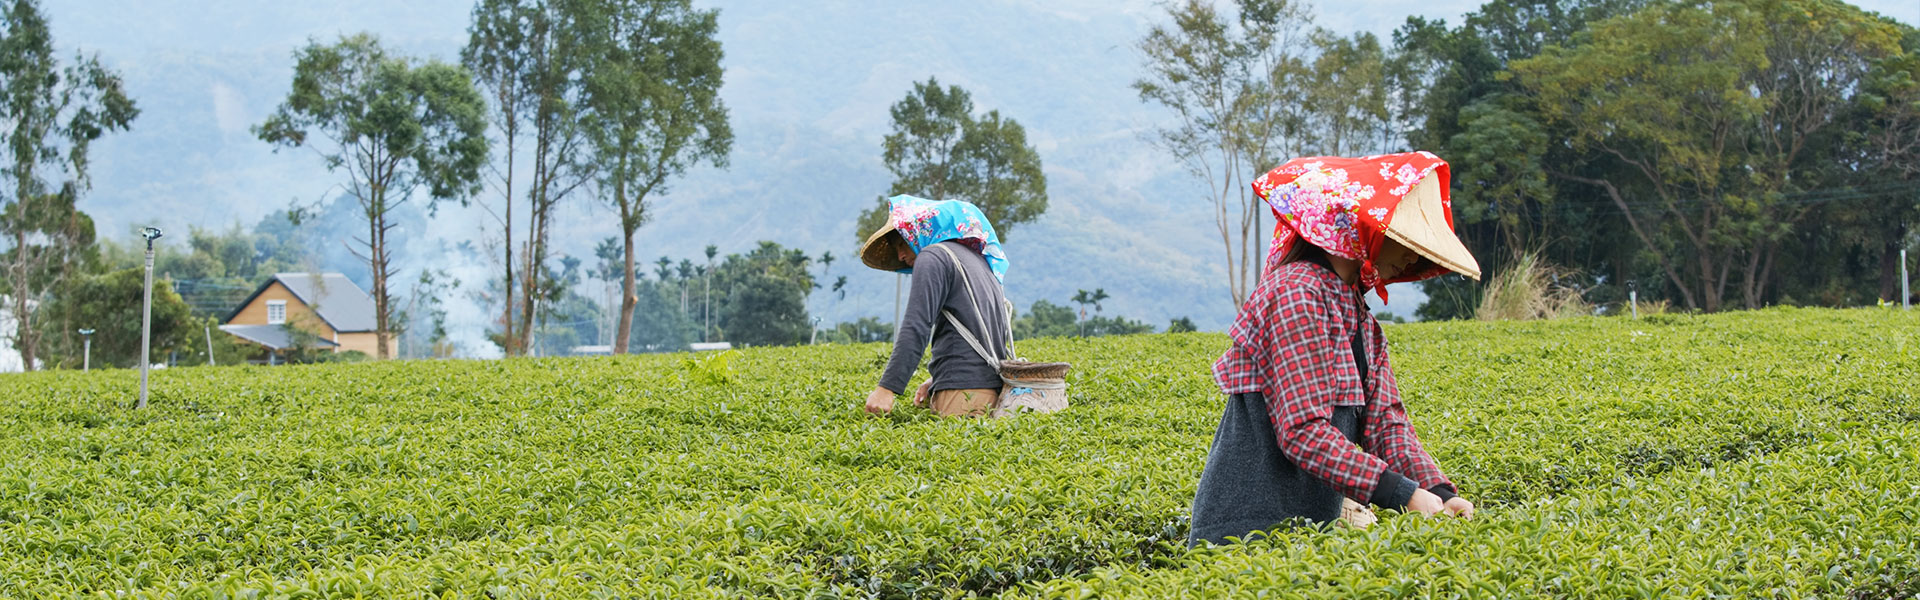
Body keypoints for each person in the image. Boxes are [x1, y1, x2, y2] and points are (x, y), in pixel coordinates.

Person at [1188, 151, 1481, 546]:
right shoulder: (1296, 293)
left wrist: (1441, 494)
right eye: (1403, 239)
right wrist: (1404, 495)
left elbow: (1386, 424)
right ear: (1367, 228)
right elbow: (1303, 431)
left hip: (1310, 535)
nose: (1412, 256)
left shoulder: (1358, 314)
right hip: (1246, 534)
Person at [857, 195, 1014, 418]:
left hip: (962, 394)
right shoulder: (977, 260)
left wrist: (887, 388)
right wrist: (938, 377)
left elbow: (916, 326)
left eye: (902, 244)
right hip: (991, 388)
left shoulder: (932, 256)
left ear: (917, 231)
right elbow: (978, 328)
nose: (900, 256)